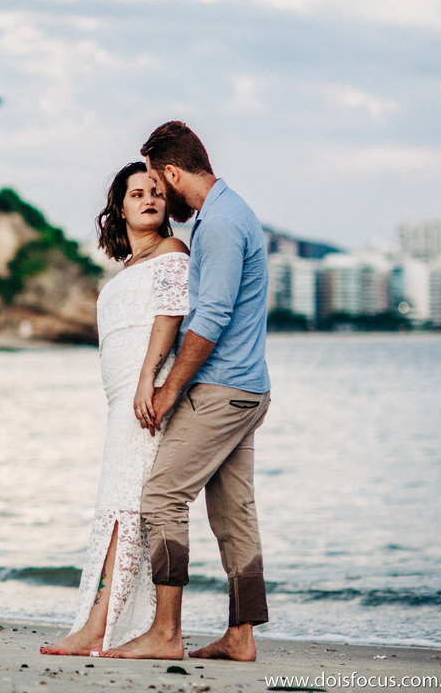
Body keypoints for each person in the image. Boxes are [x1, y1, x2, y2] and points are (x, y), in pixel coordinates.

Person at [102, 121, 271, 662]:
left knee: (160, 499)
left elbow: (212, 316)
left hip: (221, 389)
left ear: (173, 173)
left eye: (156, 181)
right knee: (233, 512)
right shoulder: (232, 212)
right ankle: (241, 637)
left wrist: (171, 387)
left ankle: (165, 633)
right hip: (249, 387)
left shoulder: (219, 225)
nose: (156, 193)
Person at [41, 161, 189, 655]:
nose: (149, 198)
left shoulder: (172, 250)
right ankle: (114, 624)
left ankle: (99, 627)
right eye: (136, 193)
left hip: (145, 398)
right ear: (119, 208)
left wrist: (147, 380)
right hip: (119, 400)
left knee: (129, 508)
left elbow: (168, 318)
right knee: (119, 507)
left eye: (156, 192)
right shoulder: (127, 268)